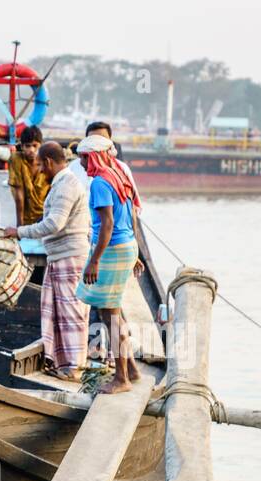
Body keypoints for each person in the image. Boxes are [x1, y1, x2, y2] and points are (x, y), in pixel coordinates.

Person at [4, 141, 91, 380]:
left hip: (69, 257)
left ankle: (73, 368)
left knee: (71, 312)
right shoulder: (64, 183)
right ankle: (66, 363)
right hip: (61, 256)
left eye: (41, 164)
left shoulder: (67, 185)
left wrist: (20, 231)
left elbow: (55, 224)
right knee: (60, 311)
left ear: (50, 161)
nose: (40, 169)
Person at [76, 135, 141, 393]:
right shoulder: (118, 174)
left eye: (83, 157)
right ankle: (132, 371)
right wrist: (134, 252)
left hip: (112, 250)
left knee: (111, 317)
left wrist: (94, 261)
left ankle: (121, 379)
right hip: (125, 246)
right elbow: (132, 214)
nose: (80, 163)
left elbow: (108, 225)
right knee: (113, 313)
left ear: (93, 156)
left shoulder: (101, 183)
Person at [8, 126, 49, 226]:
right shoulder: (16, 159)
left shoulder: (48, 161)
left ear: (41, 145)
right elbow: (19, 195)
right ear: (22, 147)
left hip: (46, 216)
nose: (31, 150)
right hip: (26, 218)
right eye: (28, 146)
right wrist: (20, 227)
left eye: (35, 146)